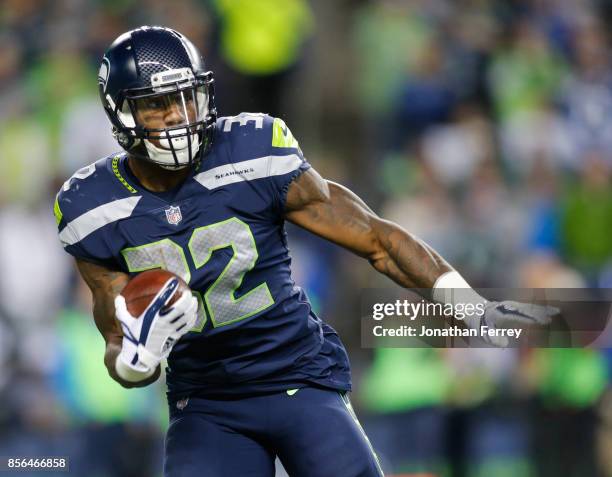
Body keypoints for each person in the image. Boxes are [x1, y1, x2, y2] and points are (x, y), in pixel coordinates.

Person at [54, 26, 554, 477]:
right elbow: (115, 344)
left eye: (185, 98)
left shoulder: (251, 150)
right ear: (122, 111)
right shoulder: (92, 207)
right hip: (207, 401)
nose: (177, 116)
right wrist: (139, 359)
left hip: (297, 375)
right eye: (156, 104)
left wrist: (471, 309)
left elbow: (378, 241)